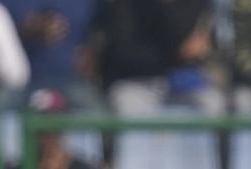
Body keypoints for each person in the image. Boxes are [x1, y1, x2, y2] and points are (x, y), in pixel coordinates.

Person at [93, 0, 223, 114]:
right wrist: (176, 56)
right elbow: (123, 53)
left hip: (181, 84)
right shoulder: (127, 4)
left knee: (214, 103)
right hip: (136, 84)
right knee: (129, 105)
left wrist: (203, 47)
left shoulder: (197, 3)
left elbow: (208, 42)